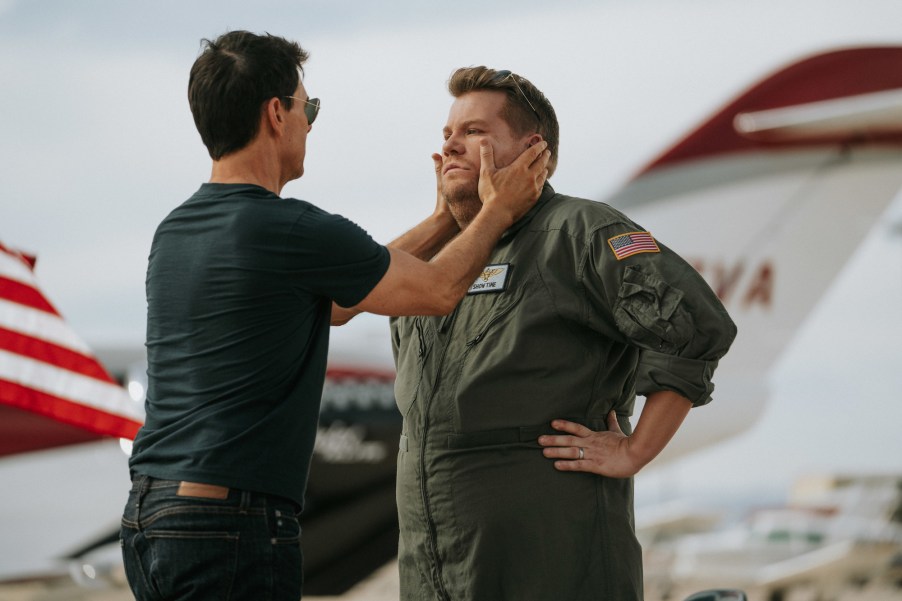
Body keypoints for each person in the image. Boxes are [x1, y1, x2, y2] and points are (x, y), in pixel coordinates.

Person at [119, 33, 548, 601]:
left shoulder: (174, 232)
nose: (310, 124)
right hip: (231, 525)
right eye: (308, 107)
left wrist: (446, 218)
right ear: (277, 113)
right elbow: (442, 290)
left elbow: (342, 303)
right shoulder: (292, 229)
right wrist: (500, 208)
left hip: (153, 517)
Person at [388, 67, 737, 600]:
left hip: (552, 564)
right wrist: (445, 216)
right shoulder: (435, 263)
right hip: (436, 567)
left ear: (533, 152)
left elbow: (695, 325)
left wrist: (636, 450)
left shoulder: (577, 232)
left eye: (474, 131)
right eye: (446, 135)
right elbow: (345, 297)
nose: (451, 145)